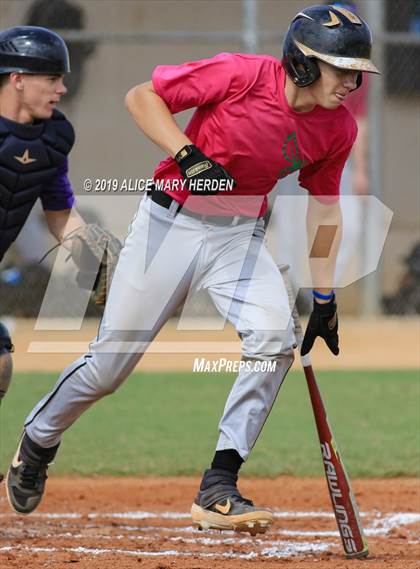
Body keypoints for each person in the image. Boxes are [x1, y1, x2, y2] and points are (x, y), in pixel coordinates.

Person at [6, 5, 379, 536]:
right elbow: (142, 97)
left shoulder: (337, 128)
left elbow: (324, 206)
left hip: (240, 237)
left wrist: (325, 295)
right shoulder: (242, 75)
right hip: (169, 224)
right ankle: (39, 438)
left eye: (356, 70)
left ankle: (219, 485)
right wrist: (186, 152)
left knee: (275, 338)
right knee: (110, 366)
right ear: (301, 63)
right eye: (341, 68)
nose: (352, 81)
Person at [0, 27, 83, 425]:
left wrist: (93, 251)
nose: (61, 89)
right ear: (17, 80)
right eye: (52, 78)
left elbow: (59, 212)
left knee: (0, 365)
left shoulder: (52, 139)